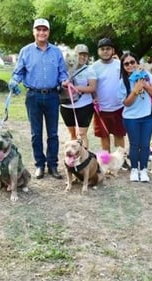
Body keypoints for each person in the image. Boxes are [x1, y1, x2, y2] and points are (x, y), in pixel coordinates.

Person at [9, 18, 69, 180]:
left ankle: (53, 166)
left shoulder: (56, 52)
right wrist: (14, 80)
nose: (42, 33)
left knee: (53, 134)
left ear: (48, 32)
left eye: (45, 30)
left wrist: (64, 80)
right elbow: (19, 72)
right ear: (33, 32)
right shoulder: (25, 51)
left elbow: (63, 72)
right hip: (33, 96)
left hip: (52, 96)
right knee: (36, 134)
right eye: (38, 29)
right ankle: (39, 165)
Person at [118, 52, 152, 182]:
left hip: (147, 116)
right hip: (131, 118)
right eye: (126, 64)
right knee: (135, 144)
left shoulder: (147, 76)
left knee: (145, 144)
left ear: (137, 63)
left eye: (132, 62)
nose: (130, 65)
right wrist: (135, 90)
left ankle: (144, 170)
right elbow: (126, 103)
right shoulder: (123, 82)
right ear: (123, 66)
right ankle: (134, 169)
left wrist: (145, 85)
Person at [91, 38, 126, 153]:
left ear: (113, 51)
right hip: (101, 109)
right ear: (98, 51)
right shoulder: (93, 67)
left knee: (119, 135)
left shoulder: (120, 65)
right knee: (104, 136)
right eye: (102, 49)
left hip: (119, 107)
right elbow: (91, 86)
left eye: (108, 49)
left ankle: (122, 160)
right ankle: (106, 162)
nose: (105, 51)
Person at [60, 44, 96, 148]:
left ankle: (84, 159)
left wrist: (75, 88)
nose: (82, 57)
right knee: (72, 134)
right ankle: (74, 156)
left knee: (82, 134)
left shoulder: (89, 70)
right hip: (66, 106)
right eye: (80, 54)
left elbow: (92, 88)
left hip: (84, 106)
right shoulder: (64, 69)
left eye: (85, 55)